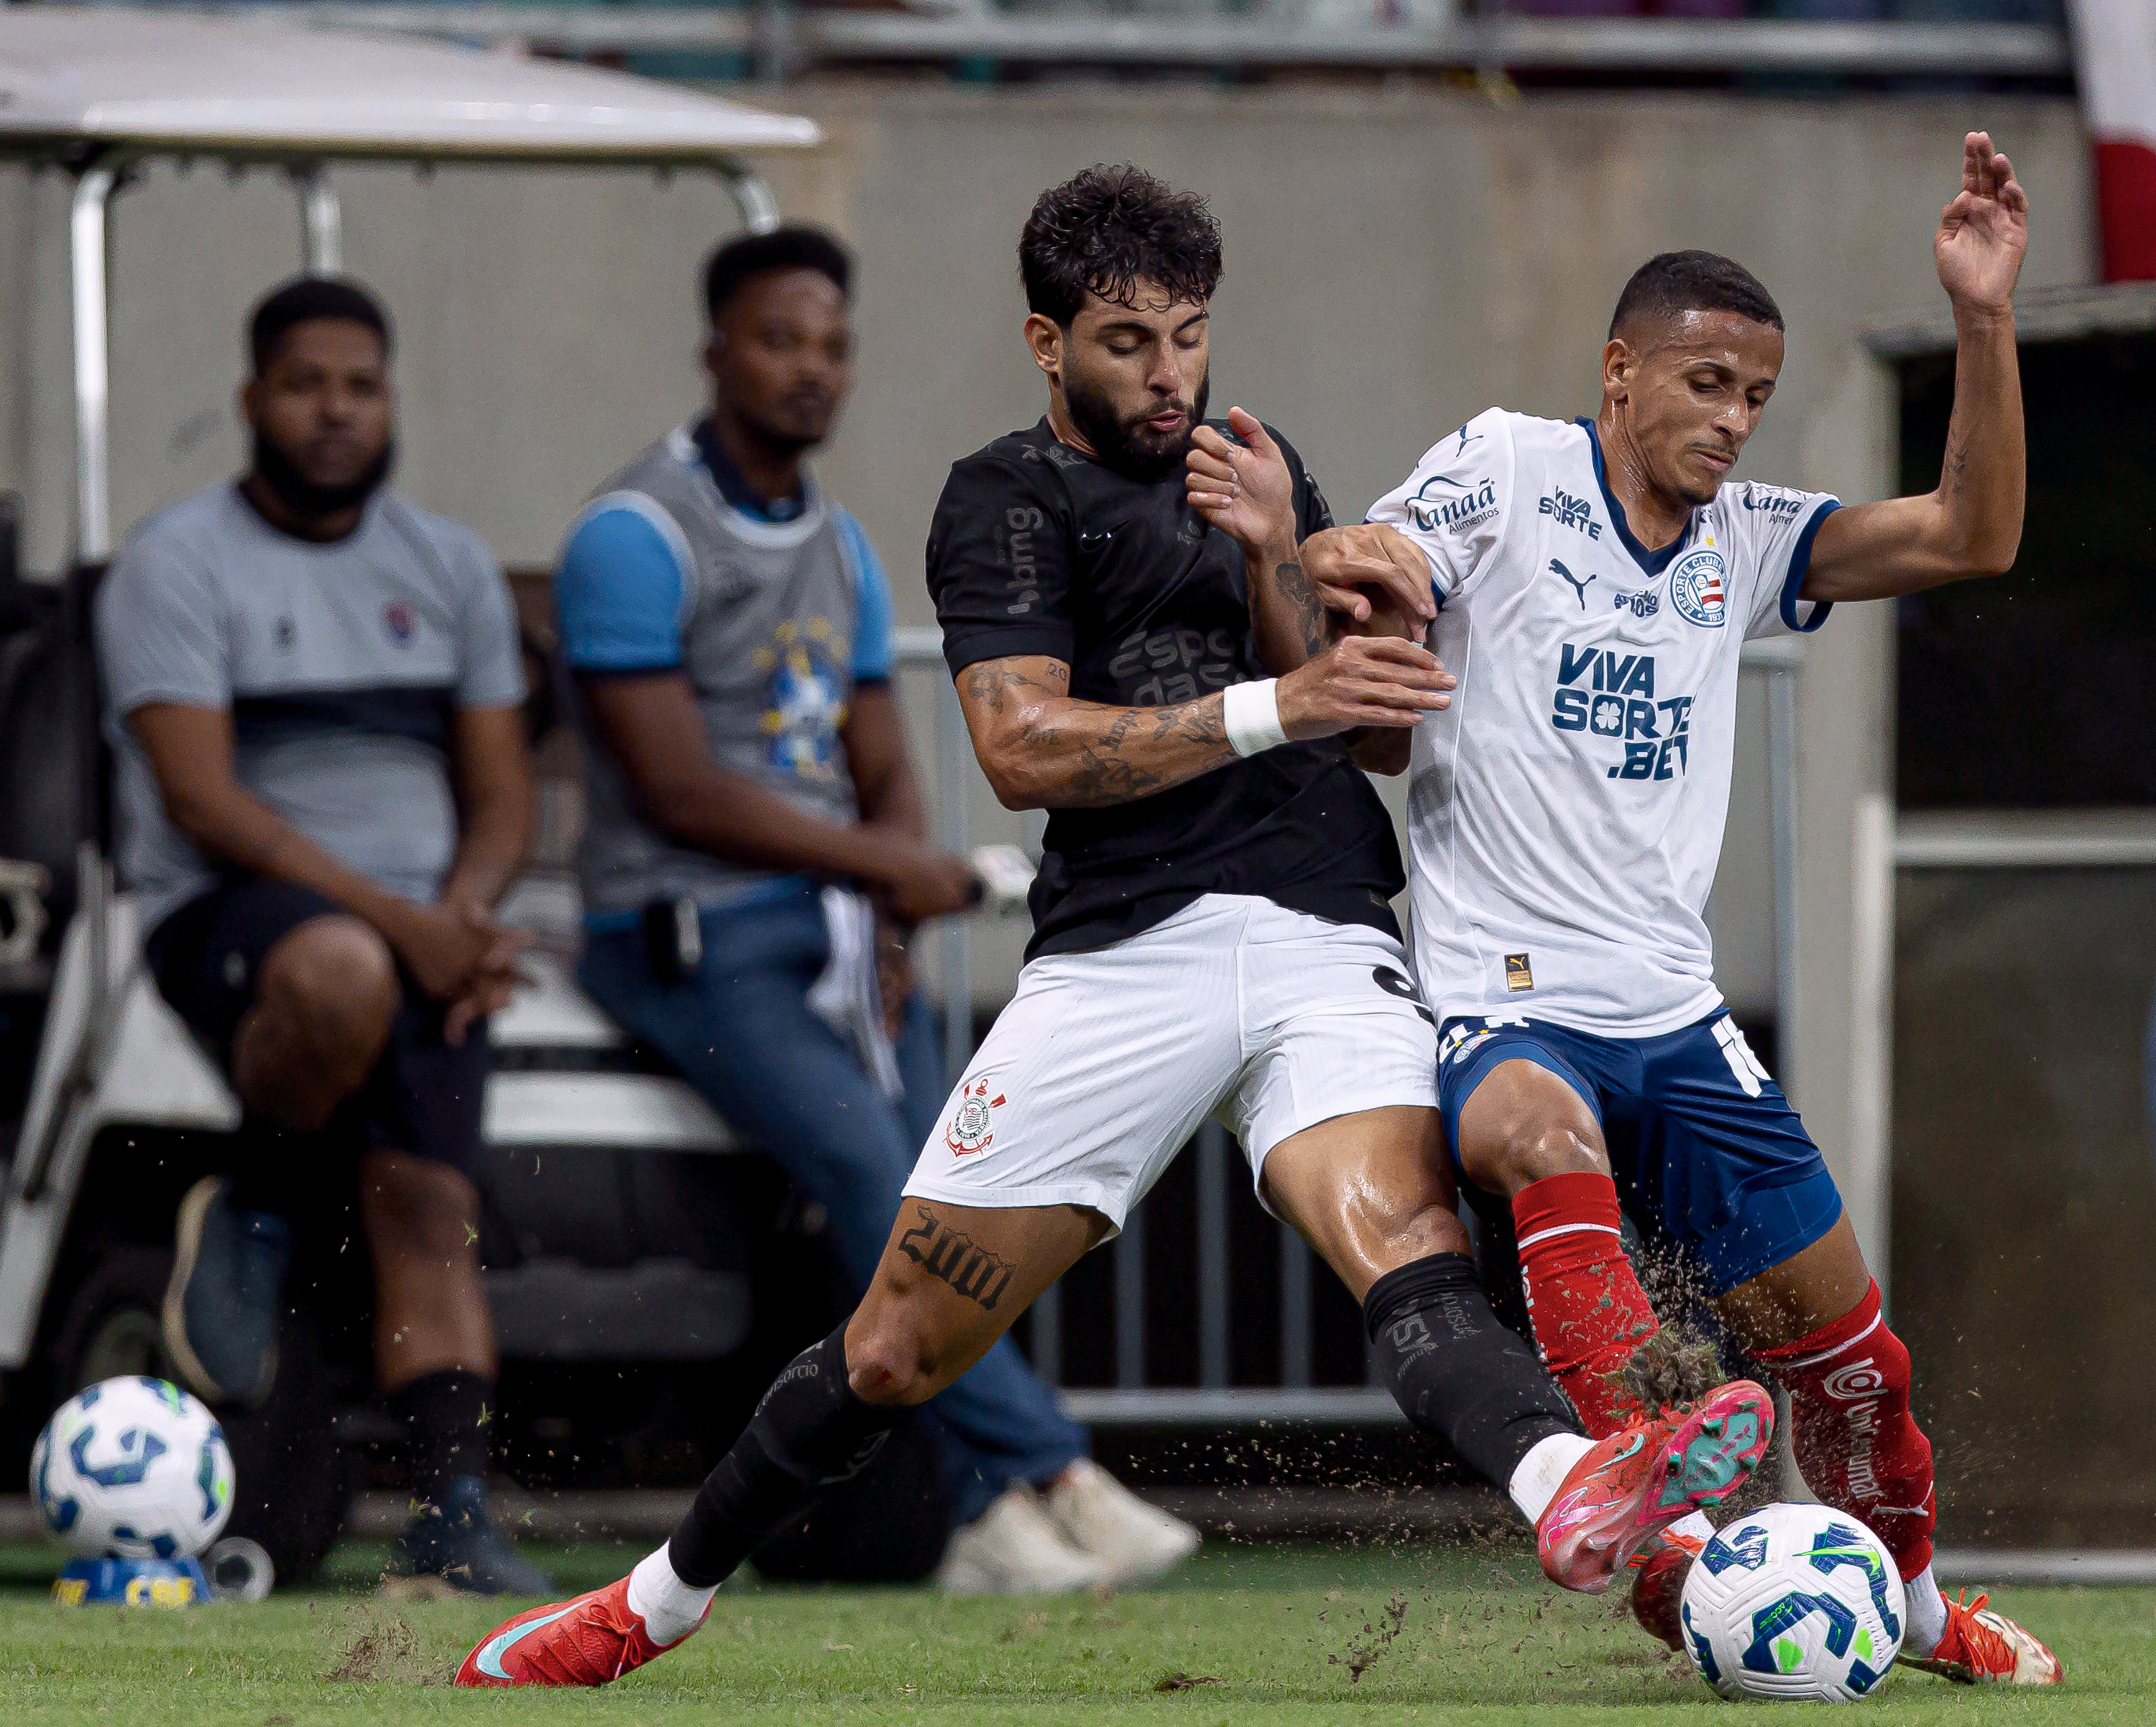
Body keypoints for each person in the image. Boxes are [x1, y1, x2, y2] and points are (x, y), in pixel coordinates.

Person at [457, 165, 1775, 1690]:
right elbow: (1023, 745)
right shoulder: (1005, 496)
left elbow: (1375, 741)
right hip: (1118, 957)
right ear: (1046, 339)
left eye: (1193, 337)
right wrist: (1276, 696)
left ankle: (1579, 1498)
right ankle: (653, 1601)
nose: (1172, 379)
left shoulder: (1259, 462)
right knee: (892, 1350)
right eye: (1131, 343)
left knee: (1408, 1254)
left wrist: (1286, 546)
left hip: (1317, 928)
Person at [1285, 134, 2059, 1684]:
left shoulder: (1750, 542)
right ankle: (1649, 1472)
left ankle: (1909, 1610)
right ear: (1620, 370)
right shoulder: (1510, 464)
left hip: (1681, 1016)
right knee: (1530, 1132)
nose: (1730, 419)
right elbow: (1377, 553)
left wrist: (1982, 315)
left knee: (1856, 1364)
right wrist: (1359, 559)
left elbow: (1972, 534)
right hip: (1508, 990)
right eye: (1706, 382)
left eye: (1755, 395)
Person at [553, 224, 1185, 1594]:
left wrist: (893, 902)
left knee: (956, 1176)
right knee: (867, 1175)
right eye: (781, 340)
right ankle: (1045, 1472)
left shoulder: (837, 543)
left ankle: (979, 1512)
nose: (811, 370)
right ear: (717, 349)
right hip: (682, 934)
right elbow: (676, 790)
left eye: (834, 345)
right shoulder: (634, 533)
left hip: (833, 931)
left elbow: (883, 761)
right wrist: (875, 872)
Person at [96, 275, 548, 1595]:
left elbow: (504, 793)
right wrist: (408, 929)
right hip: (239, 911)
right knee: (345, 973)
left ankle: (454, 1514)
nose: (335, 410)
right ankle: (257, 1190)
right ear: (251, 402)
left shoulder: (448, 564)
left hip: (418, 922)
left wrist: (463, 916)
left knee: (429, 1200)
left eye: (360, 384)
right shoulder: (176, 561)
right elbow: (200, 797)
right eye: (306, 384)